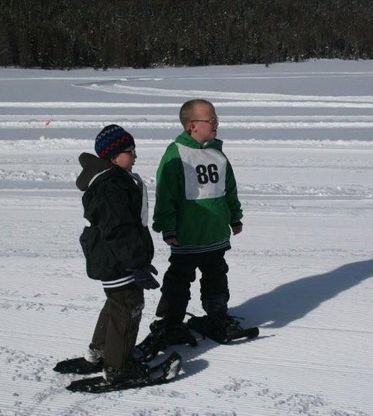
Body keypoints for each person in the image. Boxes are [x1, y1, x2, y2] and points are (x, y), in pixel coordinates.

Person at [134, 99, 244, 360]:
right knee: (179, 281)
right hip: (187, 237)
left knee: (216, 276)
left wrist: (235, 216)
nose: (217, 124)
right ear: (193, 126)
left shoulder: (219, 153)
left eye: (217, 119)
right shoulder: (176, 153)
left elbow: (229, 189)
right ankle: (171, 322)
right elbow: (166, 195)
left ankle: (217, 315)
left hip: (215, 235)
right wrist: (168, 227)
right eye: (211, 120)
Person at [54, 124, 161, 386]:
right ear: (114, 156)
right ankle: (117, 368)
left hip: (113, 257)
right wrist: (136, 264)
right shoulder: (111, 184)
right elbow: (118, 230)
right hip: (116, 259)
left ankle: (101, 353)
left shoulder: (113, 179)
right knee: (128, 305)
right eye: (130, 151)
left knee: (117, 302)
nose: (135, 156)